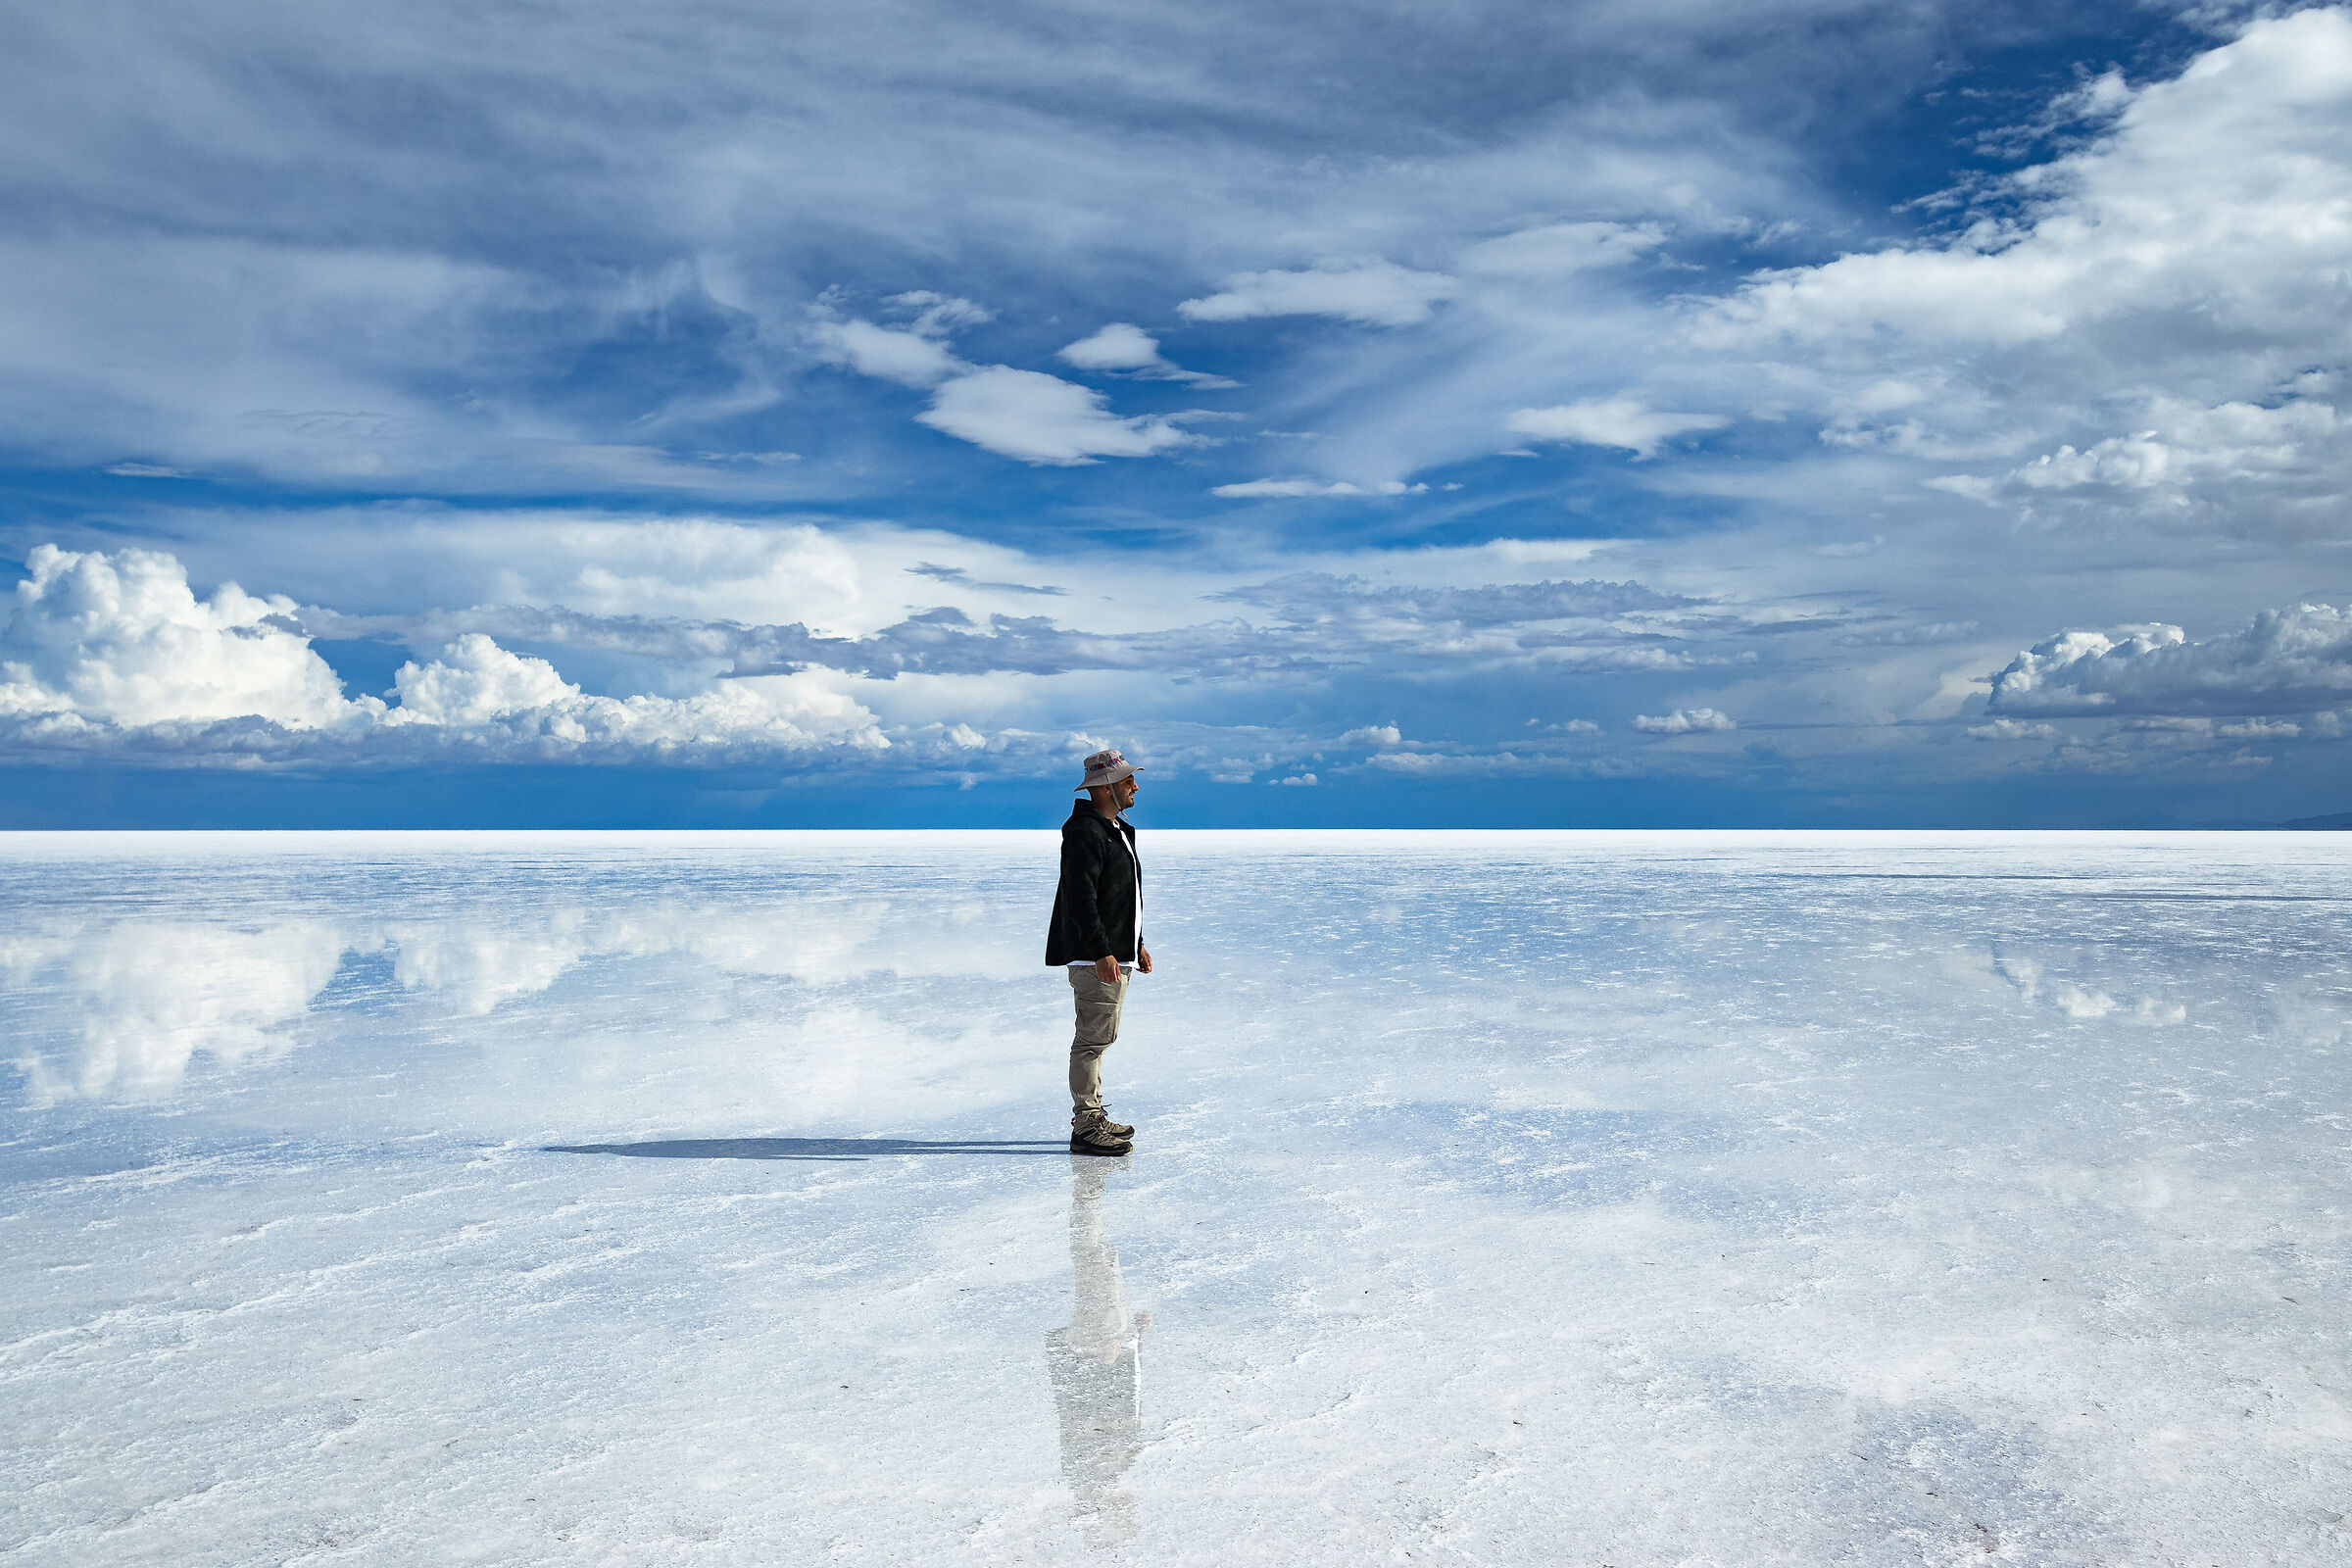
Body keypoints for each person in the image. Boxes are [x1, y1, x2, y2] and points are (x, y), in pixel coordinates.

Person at [1046, 747, 1152, 1156]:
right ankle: (1087, 1124)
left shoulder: (1119, 830)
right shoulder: (1085, 832)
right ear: (1106, 787)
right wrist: (1101, 951)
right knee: (1091, 1040)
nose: (1135, 786)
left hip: (1113, 951)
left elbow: (1123, 896)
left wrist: (1136, 942)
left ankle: (1091, 1113)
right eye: (1128, 781)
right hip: (1095, 956)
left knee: (1101, 1037)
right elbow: (1081, 898)